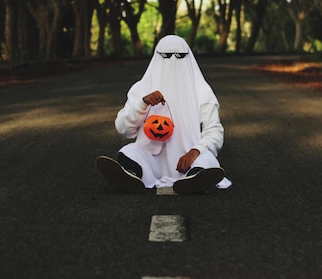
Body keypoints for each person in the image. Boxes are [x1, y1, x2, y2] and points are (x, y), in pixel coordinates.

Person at [96, 35, 231, 194]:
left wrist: (196, 151)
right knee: (129, 152)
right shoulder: (141, 89)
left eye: (180, 56)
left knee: (207, 159)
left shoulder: (202, 91)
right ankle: (131, 175)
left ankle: (194, 178)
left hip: (190, 159)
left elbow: (214, 130)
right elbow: (123, 128)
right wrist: (142, 104)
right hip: (150, 159)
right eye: (166, 56)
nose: (173, 61)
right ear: (157, 57)